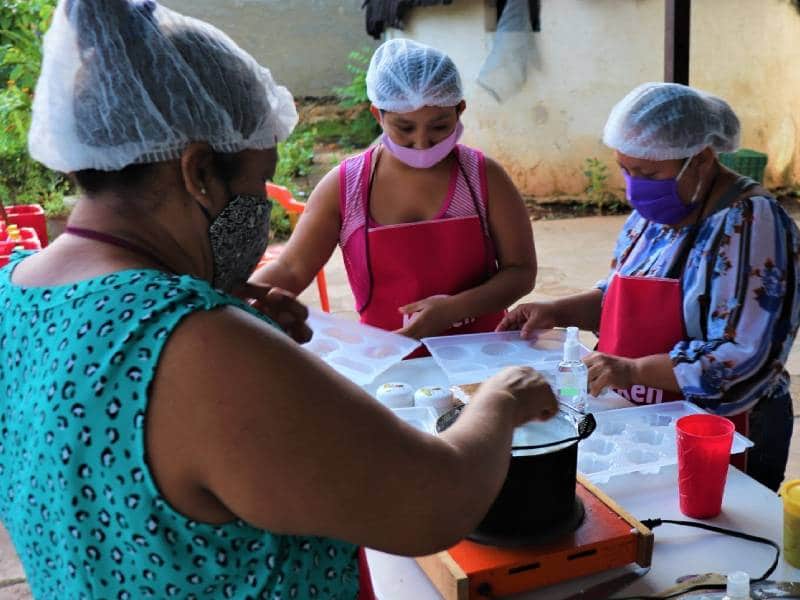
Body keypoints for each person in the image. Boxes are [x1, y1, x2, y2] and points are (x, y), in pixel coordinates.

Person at [0, 1, 559, 599]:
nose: (259, 210)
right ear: (198, 173)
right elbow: (434, 504)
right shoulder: (198, 340)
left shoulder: (16, 292)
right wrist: (498, 403)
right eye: (257, 182)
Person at [500, 82, 799, 491]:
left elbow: (744, 358)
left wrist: (631, 370)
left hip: (729, 429)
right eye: (626, 169)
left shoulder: (751, 223)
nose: (635, 186)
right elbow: (620, 299)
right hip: (650, 414)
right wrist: (556, 310)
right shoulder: (654, 213)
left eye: (649, 173)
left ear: (702, 160)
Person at [252, 39, 536, 340]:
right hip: (387, 360)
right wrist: (233, 306)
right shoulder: (345, 187)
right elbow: (291, 268)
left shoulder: (483, 177)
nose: (422, 142)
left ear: (460, 110)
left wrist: (454, 309)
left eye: (439, 127)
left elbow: (520, 271)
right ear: (378, 115)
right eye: (405, 128)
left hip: (479, 354)